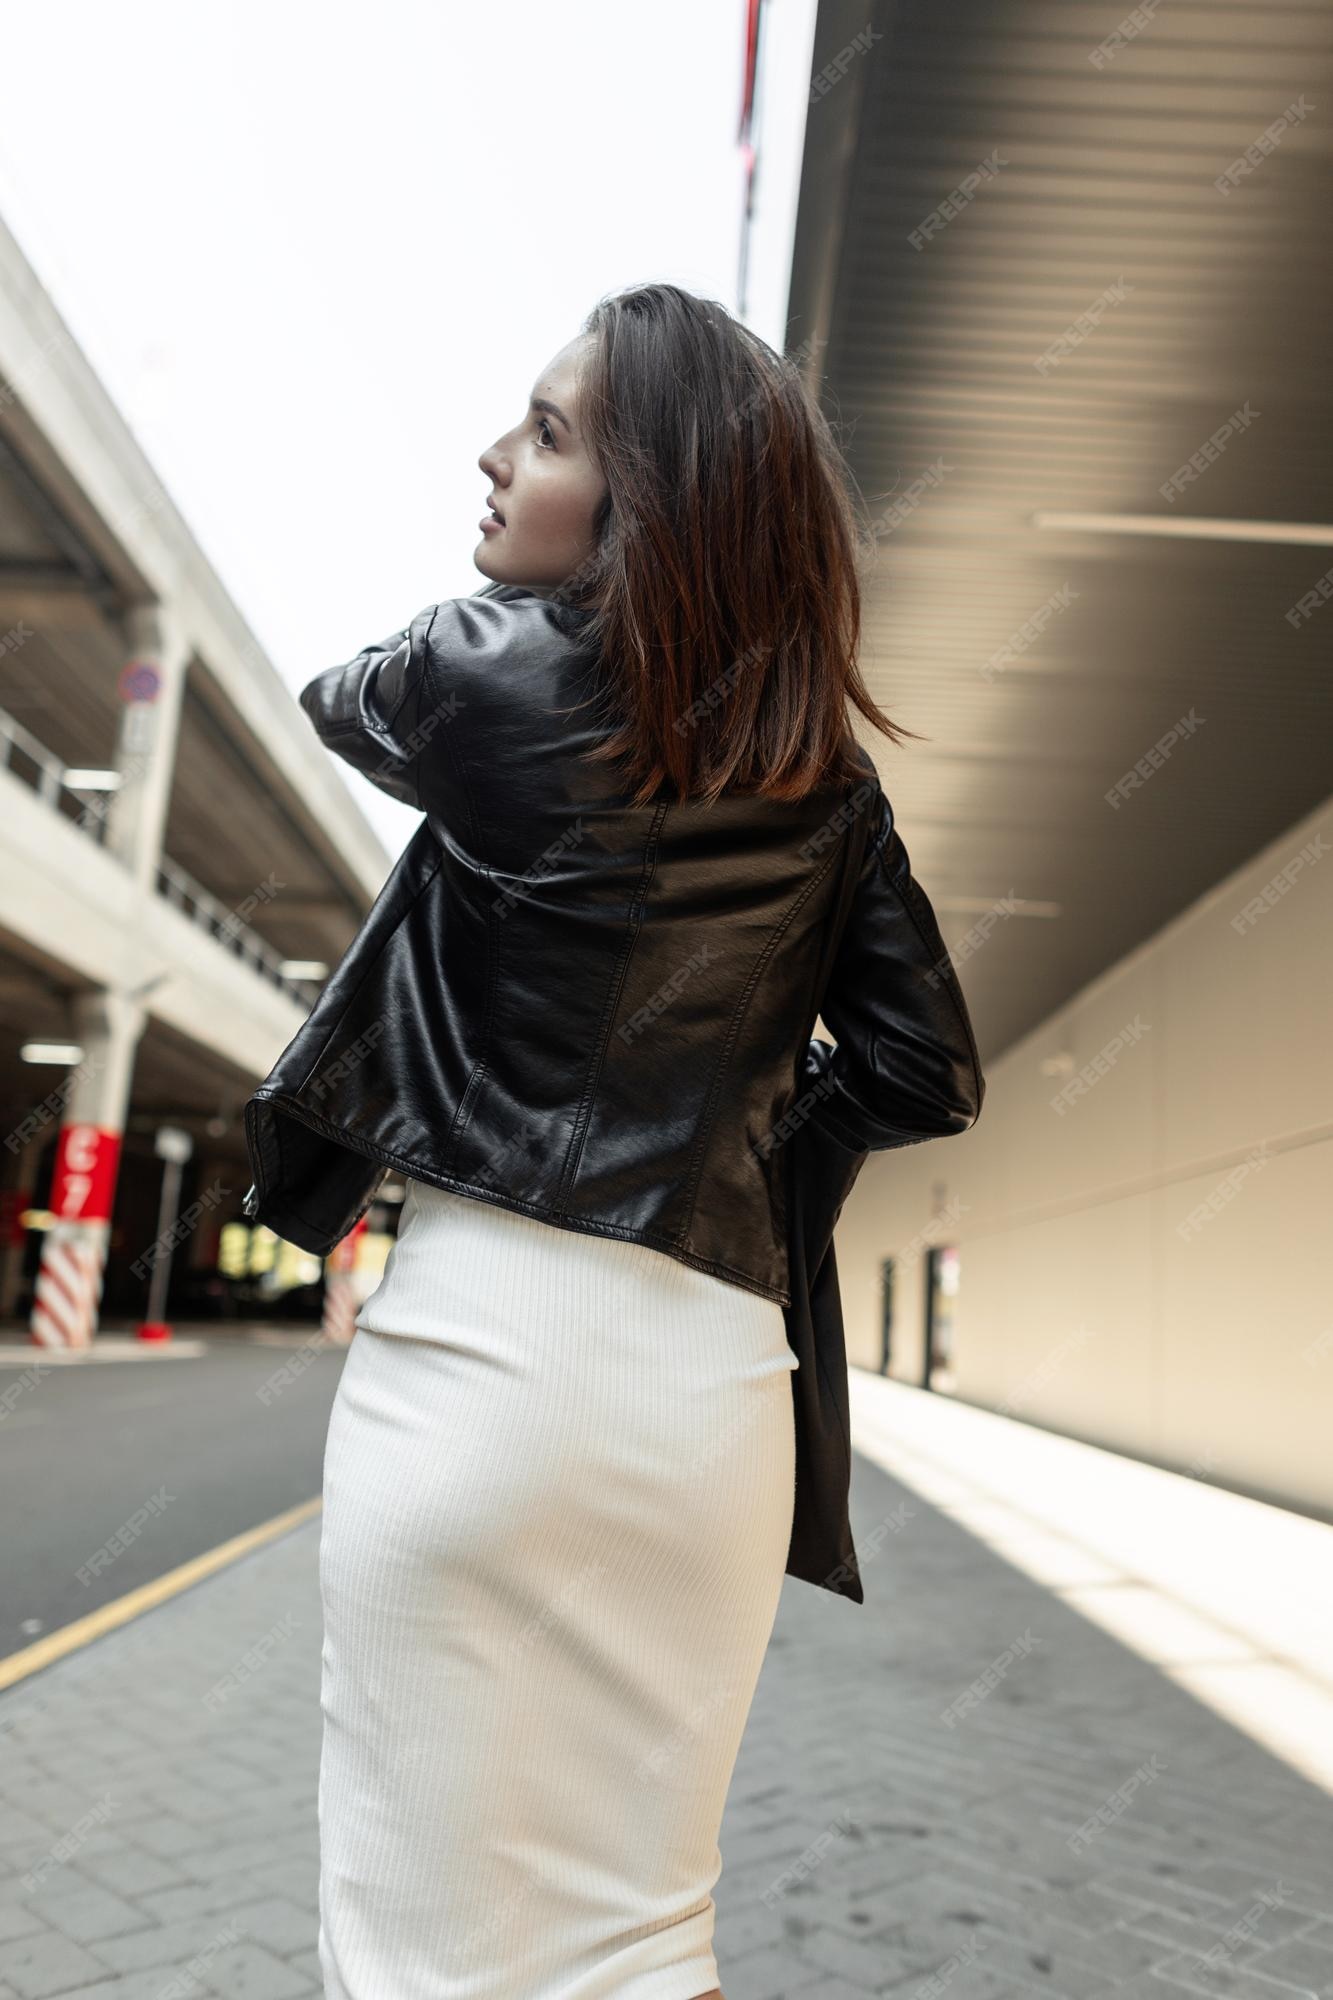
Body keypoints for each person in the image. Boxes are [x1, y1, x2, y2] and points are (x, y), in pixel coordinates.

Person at [244, 281, 984, 2000]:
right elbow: (920, 1067)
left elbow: (333, 696)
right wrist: (731, 1128)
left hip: (480, 1363)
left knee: (417, 1946)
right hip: (714, 1395)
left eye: (549, 431)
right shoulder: (823, 774)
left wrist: (530, 605)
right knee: (641, 1942)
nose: (495, 457)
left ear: (644, 505)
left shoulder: (477, 675)